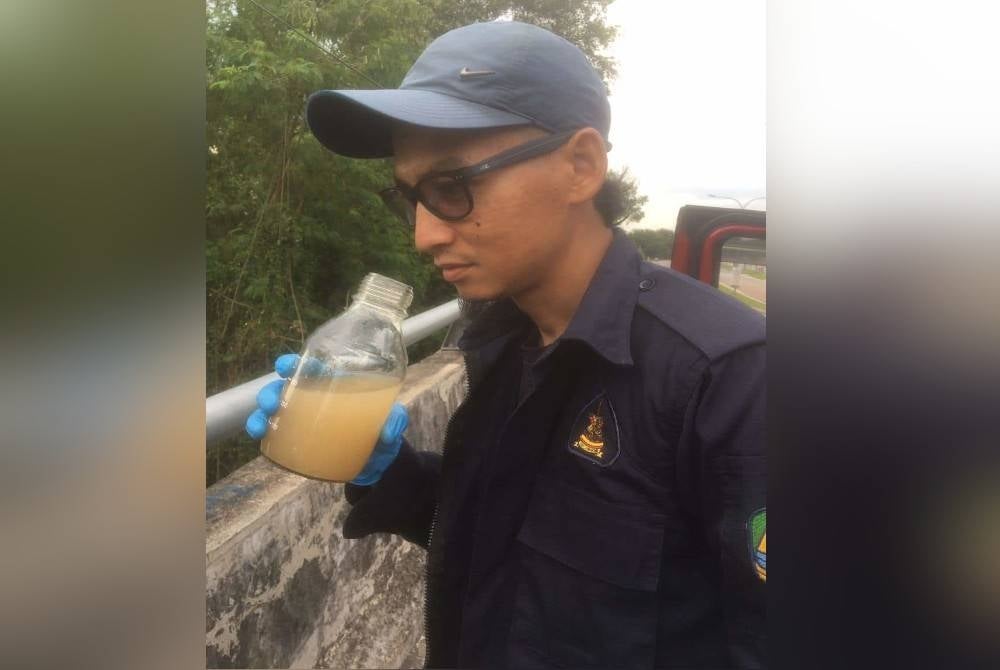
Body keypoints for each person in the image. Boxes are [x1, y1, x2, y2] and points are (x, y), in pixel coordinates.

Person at [246, 20, 765, 669]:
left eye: (452, 187)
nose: (424, 236)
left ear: (580, 167)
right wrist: (388, 472)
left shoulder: (732, 381)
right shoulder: (502, 338)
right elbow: (508, 546)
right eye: (409, 198)